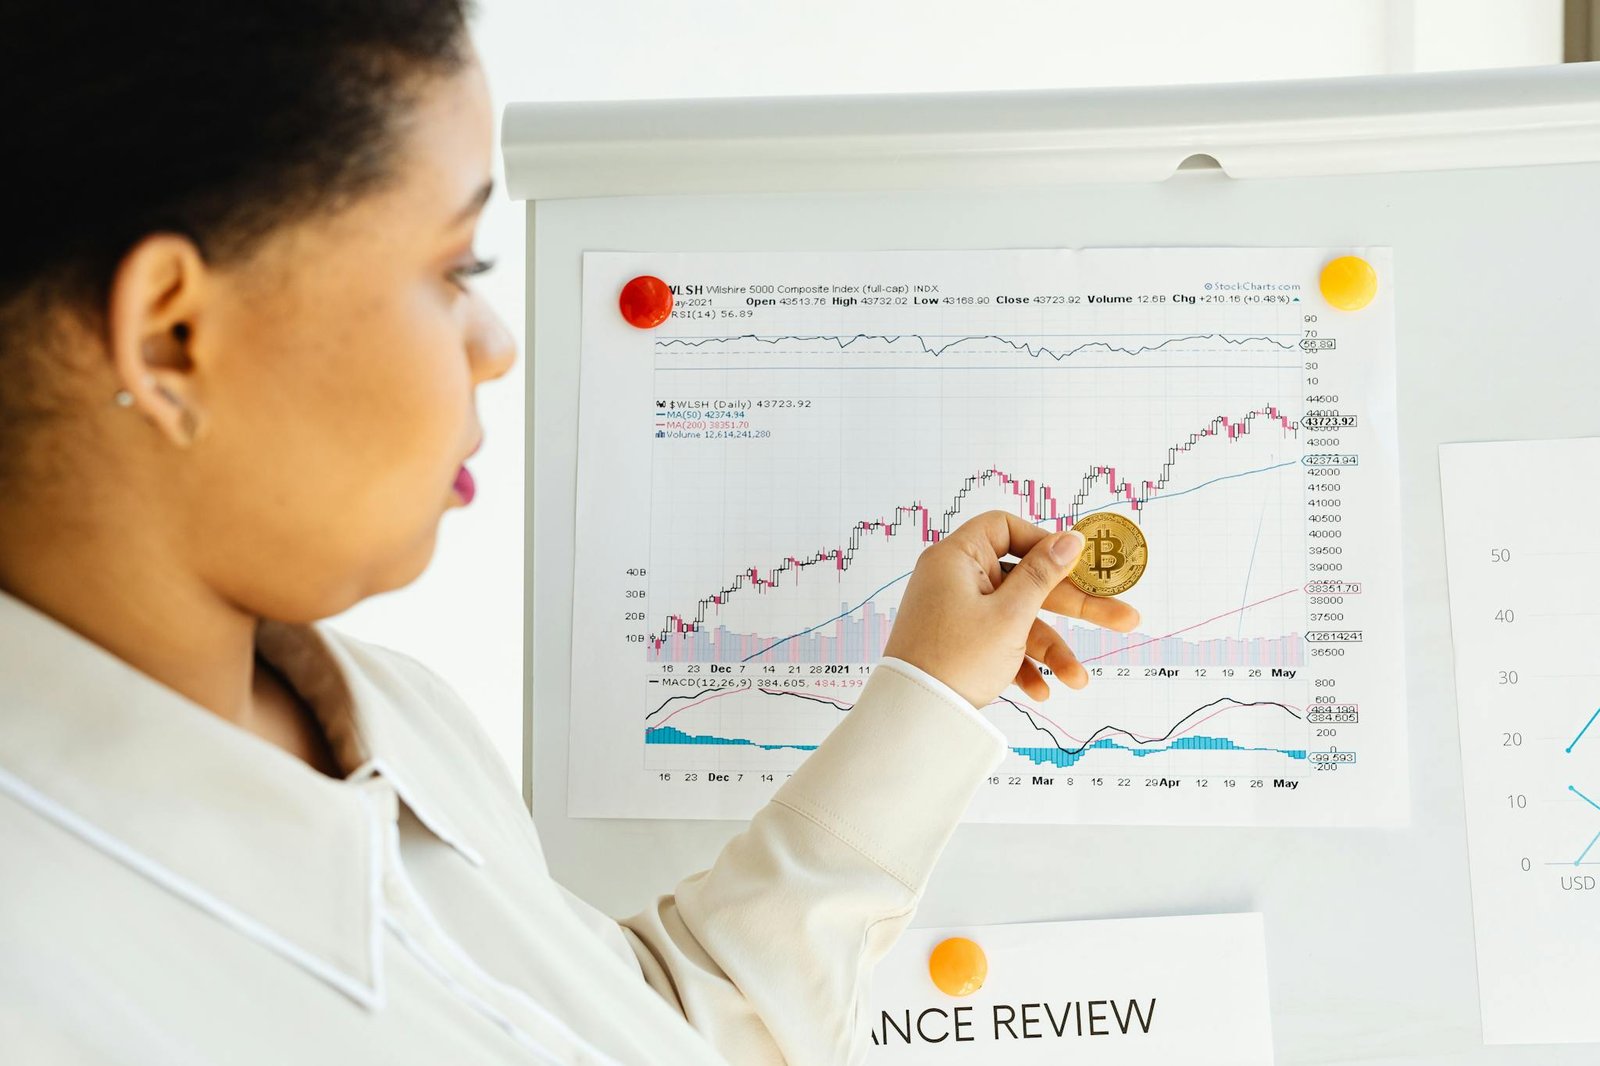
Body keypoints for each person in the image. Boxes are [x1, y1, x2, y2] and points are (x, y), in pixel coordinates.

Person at [0, 3, 1139, 1063]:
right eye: (455, 268)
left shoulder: (390, 713)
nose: (495, 341)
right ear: (172, 337)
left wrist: (928, 692)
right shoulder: (51, 992)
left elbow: (648, 1029)